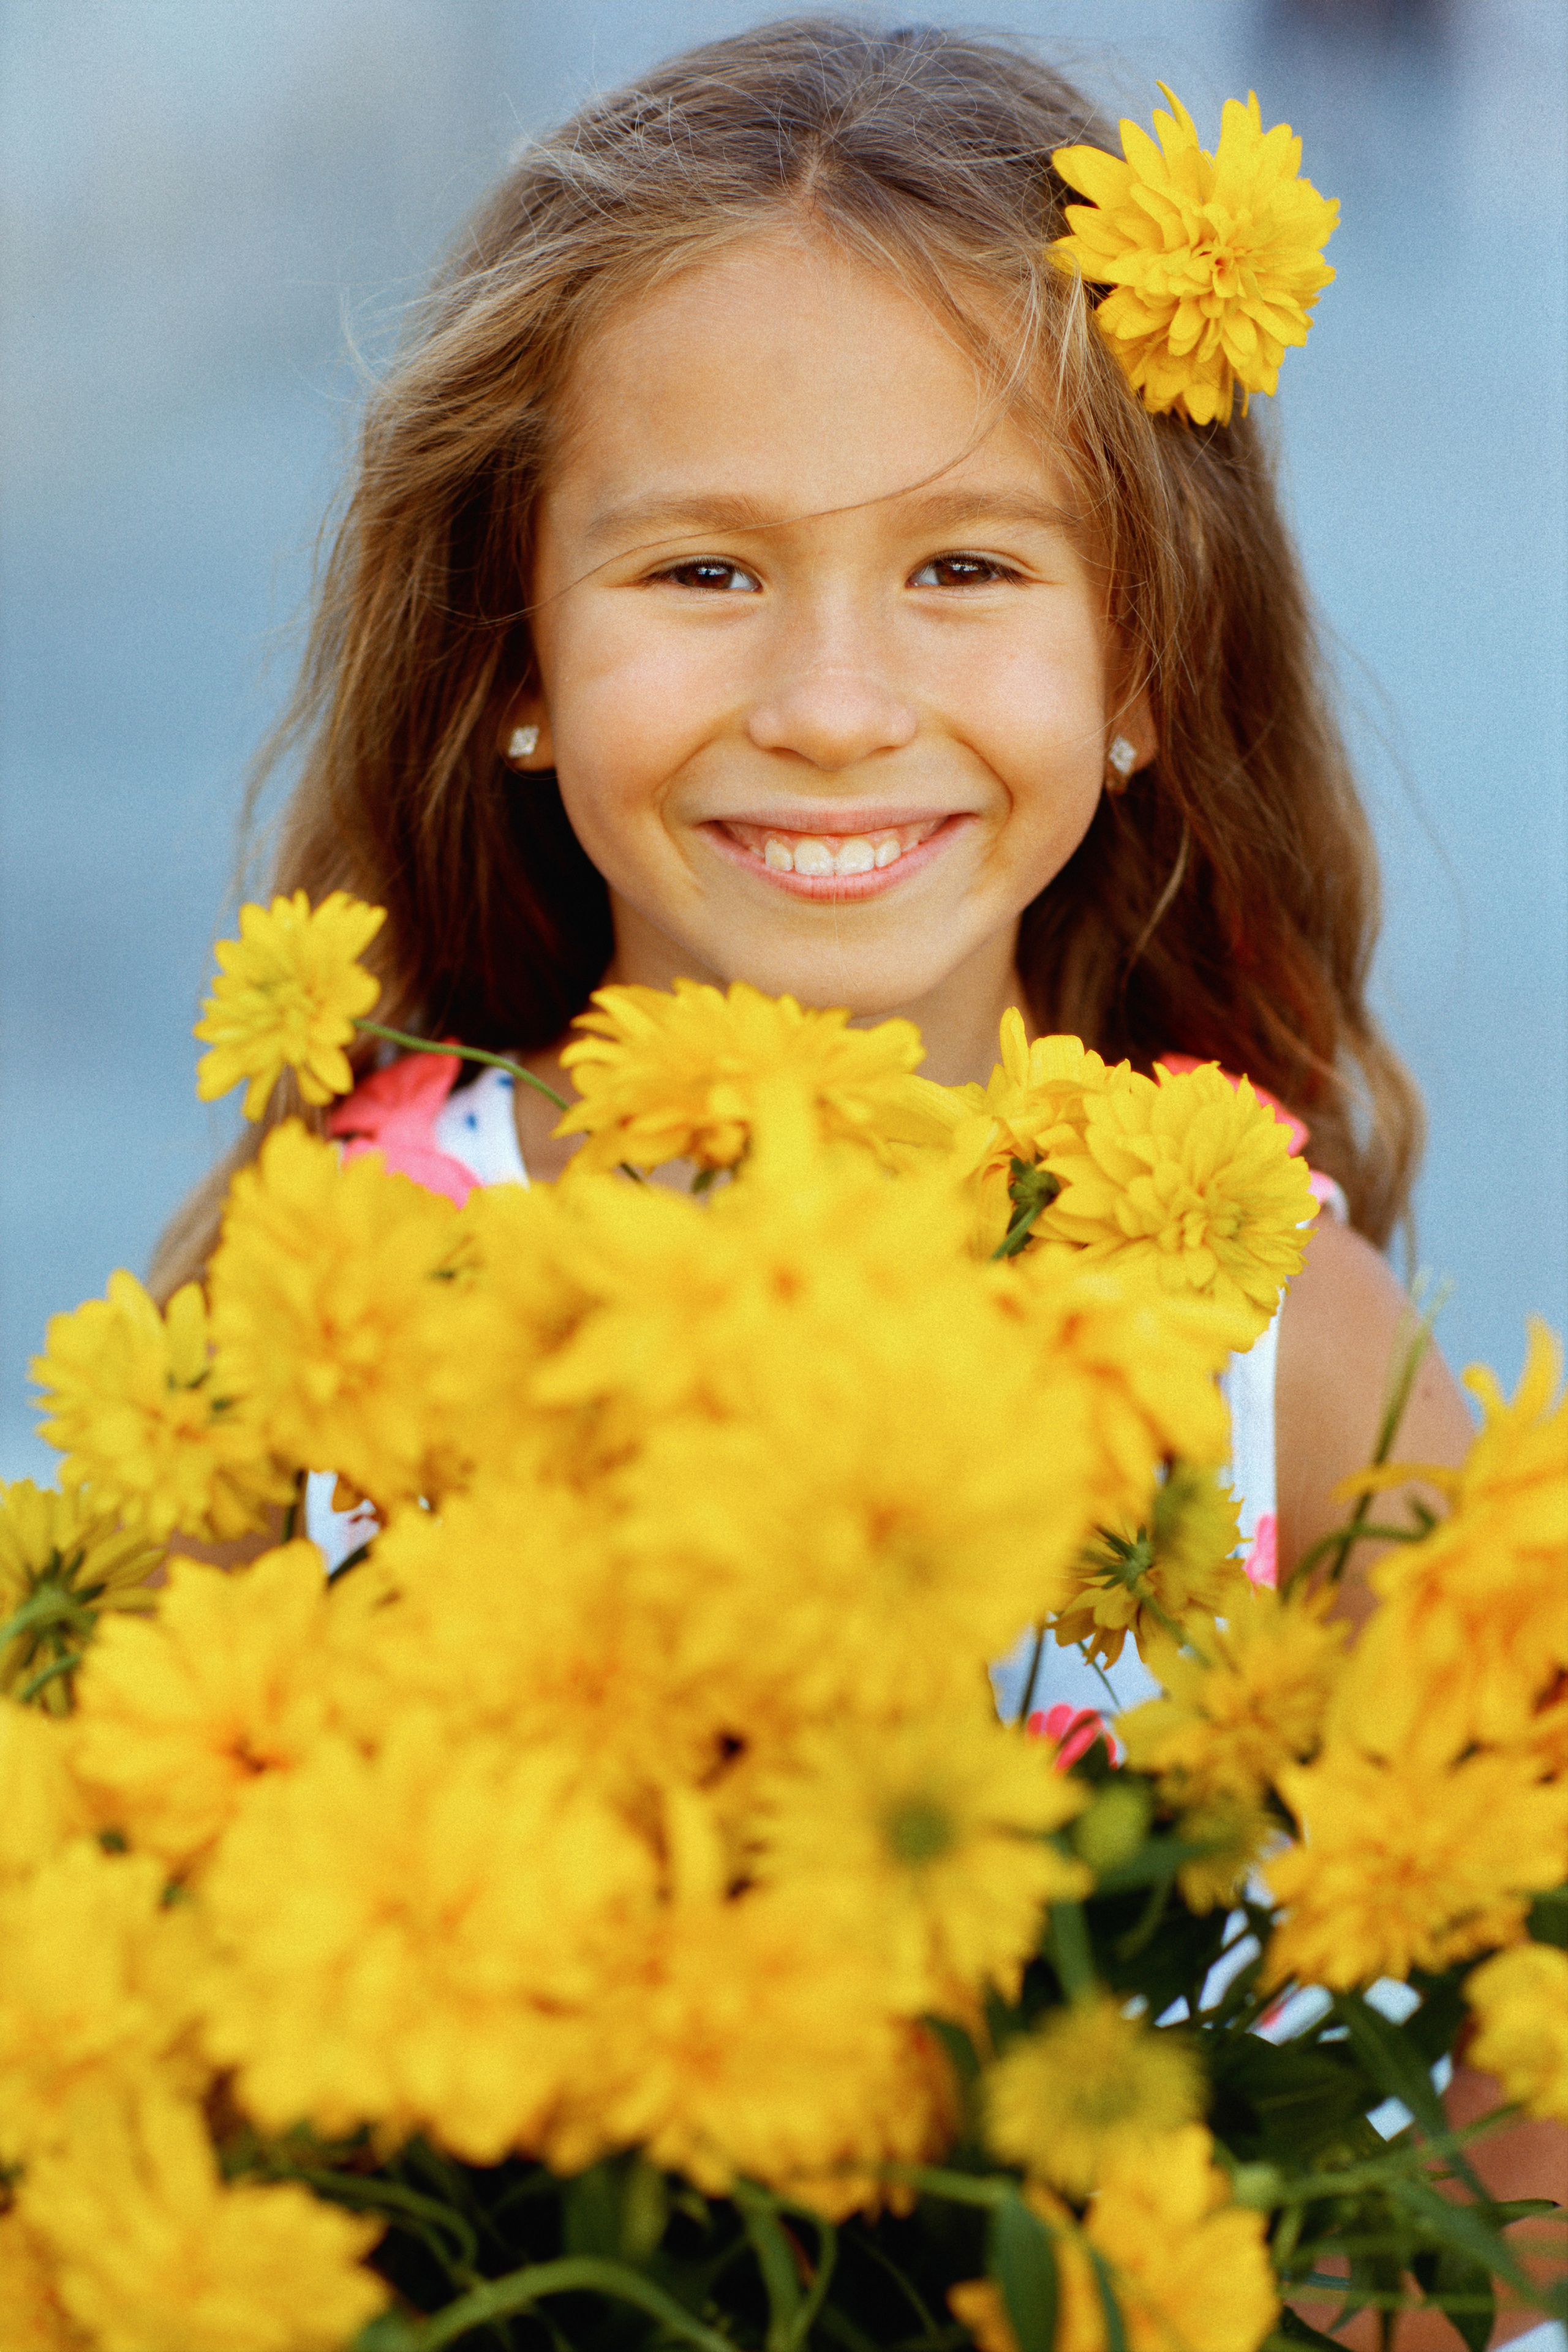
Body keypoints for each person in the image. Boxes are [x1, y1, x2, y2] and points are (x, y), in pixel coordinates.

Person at [148, 22, 1559, 2331]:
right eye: (703, 570)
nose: (829, 700)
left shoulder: (1270, 1342)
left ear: (1141, 663)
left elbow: (1539, 2066)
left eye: (966, 567)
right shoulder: (346, 1269)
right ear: (512, 649)